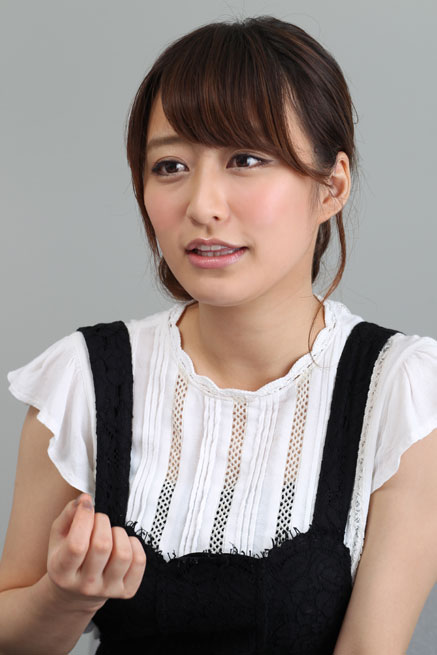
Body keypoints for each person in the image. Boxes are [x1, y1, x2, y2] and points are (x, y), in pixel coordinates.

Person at [1, 14, 437, 655]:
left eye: (246, 159)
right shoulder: (84, 380)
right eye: (170, 165)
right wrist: (64, 597)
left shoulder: (398, 391)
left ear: (331, 186)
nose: (203, 204)